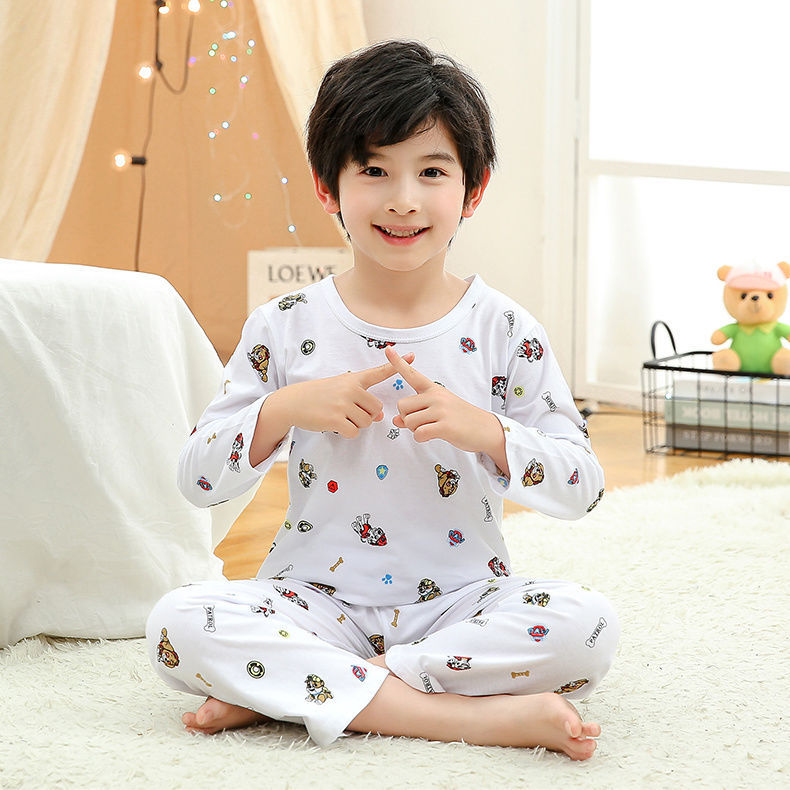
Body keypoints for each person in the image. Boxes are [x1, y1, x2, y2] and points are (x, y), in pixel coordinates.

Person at [146, 40, 619, 762]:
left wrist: (487, 432)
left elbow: (582, 486)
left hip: (462, 604)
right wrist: (285, 409)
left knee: (588, 626)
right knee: (177, 623)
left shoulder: (506, 330)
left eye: (432, 171)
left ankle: (297, 690)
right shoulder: (285, 324)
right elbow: (196, 479)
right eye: (373, 170)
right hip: (311, 602)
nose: (403, 199)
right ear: (327, 187)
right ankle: (464, 717)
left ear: (474, 189)